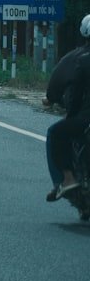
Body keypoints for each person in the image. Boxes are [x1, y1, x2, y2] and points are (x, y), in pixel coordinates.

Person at [43, 14, 90, 202]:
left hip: (84, 119)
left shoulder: (78, 59)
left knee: (55, 132)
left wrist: (53, 100)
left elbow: (61, 86)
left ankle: (66, 179)